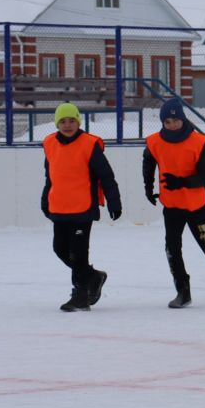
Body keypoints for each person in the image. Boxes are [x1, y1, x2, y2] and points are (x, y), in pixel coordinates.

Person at [142, 97, 205, 308]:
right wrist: (148, 188)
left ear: (183, 119)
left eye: (175, 120)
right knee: (172, 249)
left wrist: (182, 182)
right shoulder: (154, 142)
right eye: (167, 121)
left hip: (199, 208)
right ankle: (183, 291)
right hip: (172, 208)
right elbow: (148, 163)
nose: (172, 125)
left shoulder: (198, 142)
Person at [41, 102, 122, 312]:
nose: (67, 125)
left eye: (72, 121)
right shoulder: (50, 144)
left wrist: (114, 201)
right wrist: (45, 198)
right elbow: (50, 176)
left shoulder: (89, 144)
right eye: (63, 121)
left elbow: (106, 176)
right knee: (60, 248)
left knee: (78, 253)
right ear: (57, 123)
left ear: (78, 121)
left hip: (82, 209)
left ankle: (80, 296)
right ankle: (93, 276)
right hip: (59, 207)